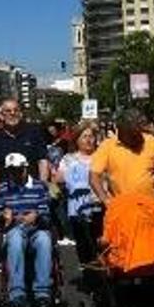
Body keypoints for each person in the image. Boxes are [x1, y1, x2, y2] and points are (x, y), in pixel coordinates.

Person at [0, 153, 53, 307]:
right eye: (12, 171)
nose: (15, 174)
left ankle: (43, 293)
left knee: (44, 241)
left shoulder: (39, 187)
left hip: (36, 229)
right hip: (14, 229)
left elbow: (47, 212)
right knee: (16, 239)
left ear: (25, 168)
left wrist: (37, 215)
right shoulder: (3, 189)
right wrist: (2, 215)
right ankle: (17, 294)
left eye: (18, 170)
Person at [53, 122, 103, 285]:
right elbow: (58, 179)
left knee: (102, 244)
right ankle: (89, 277)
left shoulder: (102, 156)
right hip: (78, 210)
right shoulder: (69, 159)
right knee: (83, 245)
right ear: (77, 139)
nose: (89, 140)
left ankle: (105, 276)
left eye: (91, 136)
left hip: (100, 206)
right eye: (85, 136)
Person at [89, 109, 154, 204]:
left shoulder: (151, 141)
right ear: (121, 131)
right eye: (133, 134)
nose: (138, 137)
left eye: (139, 132)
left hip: (149, 207)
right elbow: (93, 176)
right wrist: (106, 200)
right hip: (123, 209)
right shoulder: (107, 145)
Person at [0, 99, 49, 187]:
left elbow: (42, 161)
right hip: (7, 191)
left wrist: (42, 185)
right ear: (2, 115)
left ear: (20, 113)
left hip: (32, 190)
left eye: (16, 110)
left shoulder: (34, 132)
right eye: (8, 111)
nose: (12, 113)